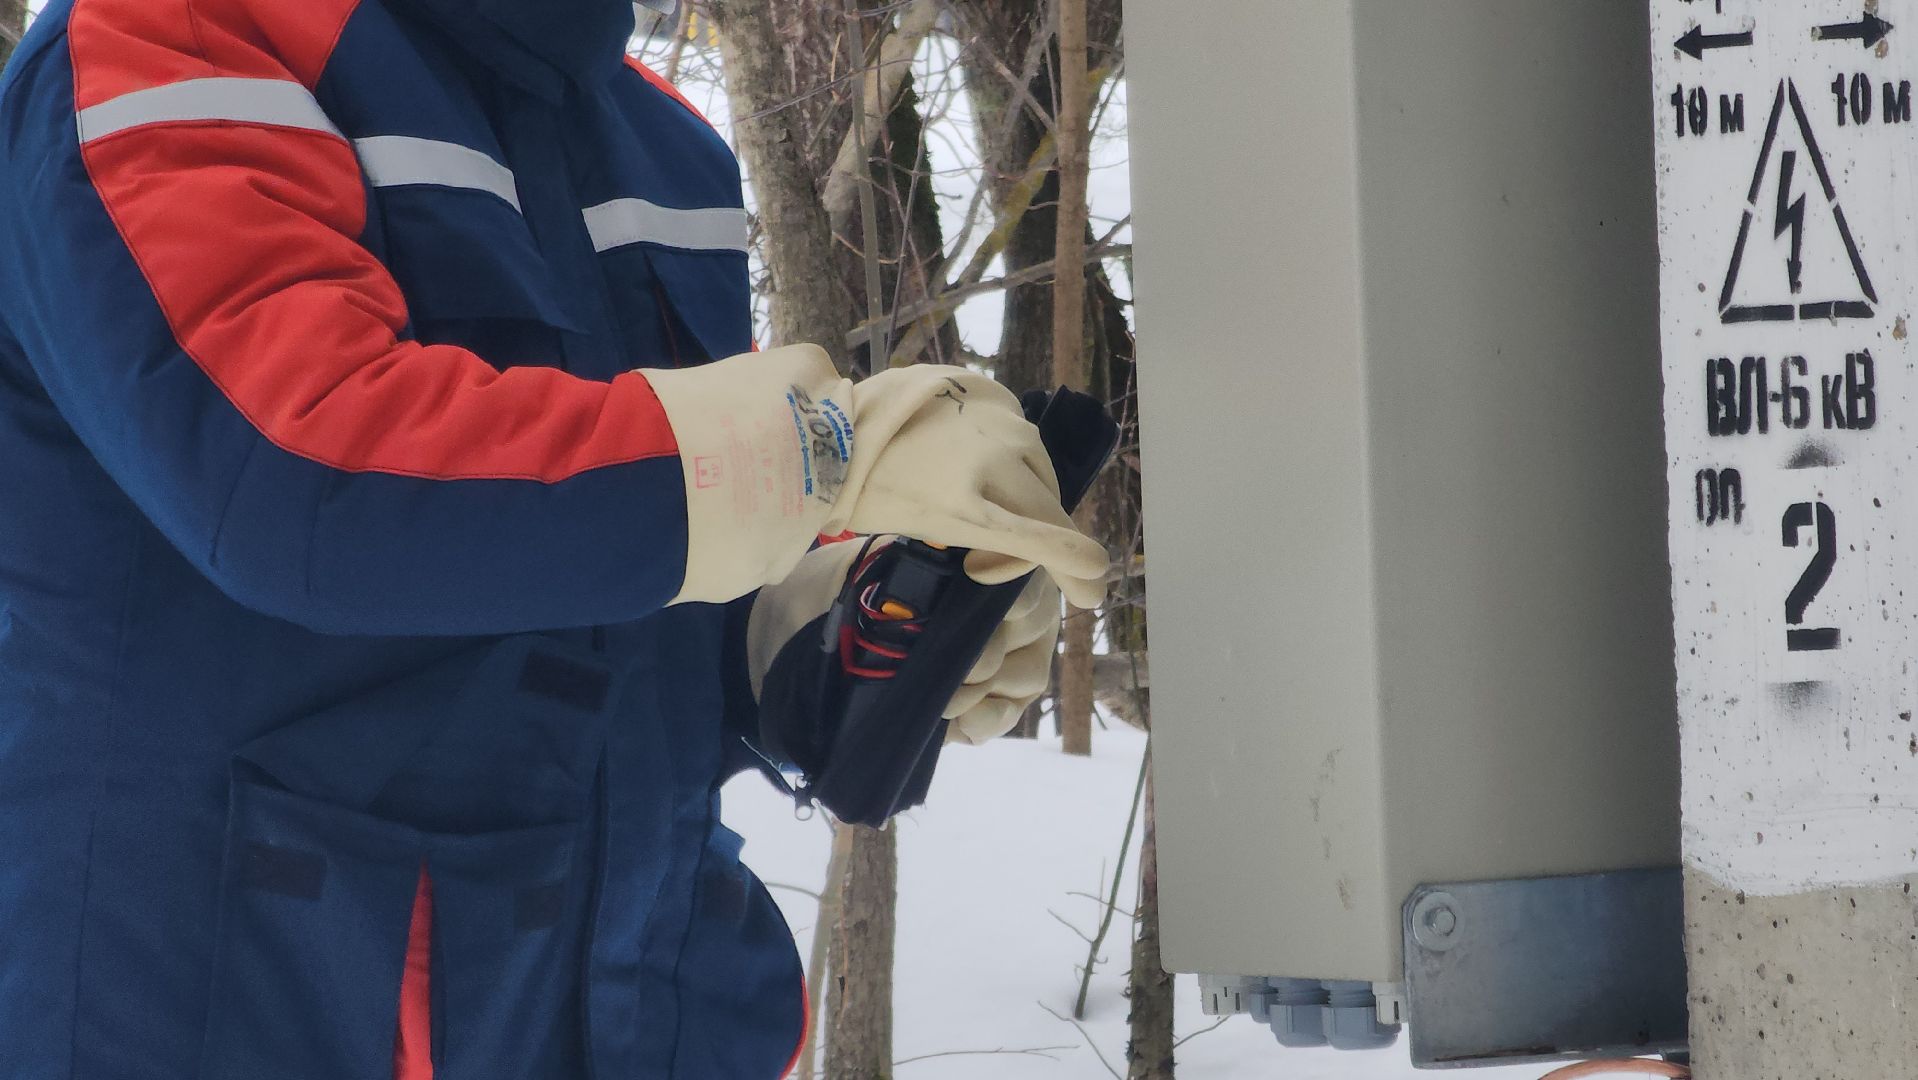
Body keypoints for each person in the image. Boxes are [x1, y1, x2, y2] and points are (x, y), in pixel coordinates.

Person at [0, 0, 1108, 1076]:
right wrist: (812, 454)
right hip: (231, 999)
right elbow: (300, 479)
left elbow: (603, 550)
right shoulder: (168, 42)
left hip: (613, 993)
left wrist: (790, 630)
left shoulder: (656, 141)